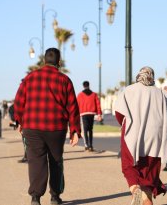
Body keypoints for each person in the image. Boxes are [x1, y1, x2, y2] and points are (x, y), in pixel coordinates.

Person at [14, 48, 81, 205]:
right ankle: (55, 196)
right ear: (59, 62)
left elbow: (19, 102)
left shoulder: (29, 78)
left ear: (44, 61)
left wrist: (19, 121)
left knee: (36, 162)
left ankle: (35, 197)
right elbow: (73, 107)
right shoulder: (64, 80)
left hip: (32, 127)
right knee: (56, 161)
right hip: (56, 128)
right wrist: (75, 130)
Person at [114, 67, 167, 205]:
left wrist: (125, 124)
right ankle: (147, 199)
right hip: (155, 137)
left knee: (129, 165)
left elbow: (119, 113)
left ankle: (135, 189)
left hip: (133, 135)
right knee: (149, 171)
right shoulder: (159, 93)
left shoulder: (129, 90)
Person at [77, 81, 102, 151]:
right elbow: (98, 104)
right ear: (89, 85)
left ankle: (86, 145)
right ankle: (91, 145)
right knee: (90, 130)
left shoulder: (80, 95)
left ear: (83, 86)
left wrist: (76, 115)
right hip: (92, 113)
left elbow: (77, 105)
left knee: (85, 129)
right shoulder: (94, 94)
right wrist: (99, 114)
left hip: (83, 113)